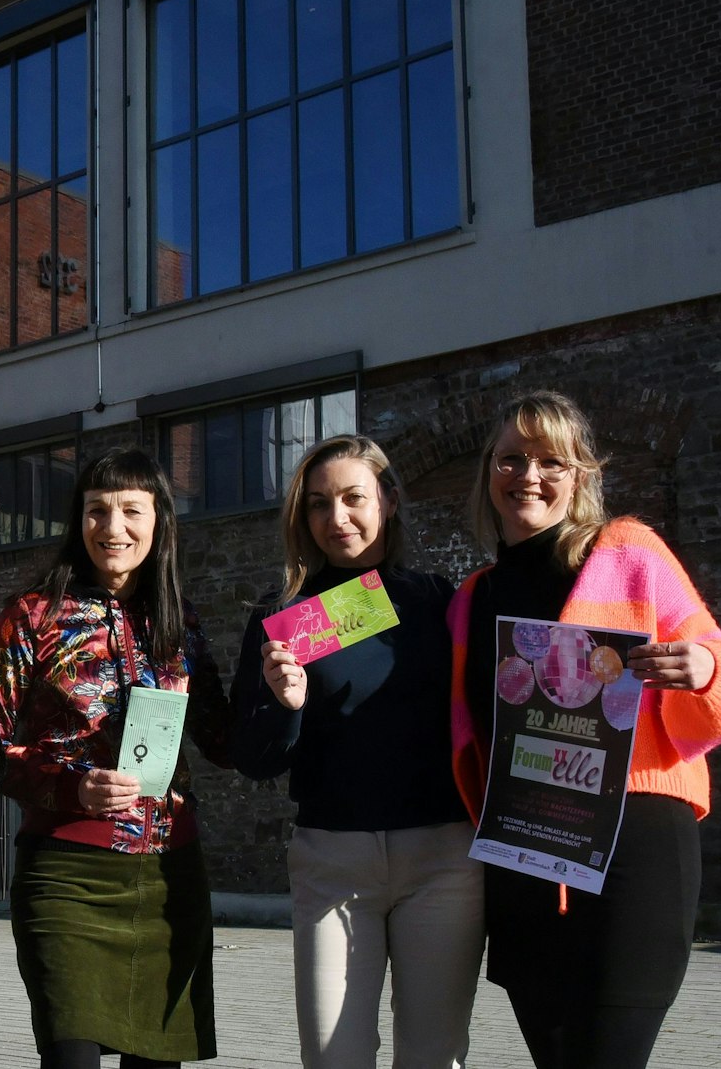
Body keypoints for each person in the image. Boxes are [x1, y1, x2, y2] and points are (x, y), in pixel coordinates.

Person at [450, 391, 721, 1069]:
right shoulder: (472, 599)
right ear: (488, 474)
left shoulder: (630, 554)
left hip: (634, 853)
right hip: (526, 861)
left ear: (580, 475)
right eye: (511, 458)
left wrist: (704, 666)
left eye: (549, 459)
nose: (527, 474)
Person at [230, 436, 481, 1069]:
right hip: (333, 861)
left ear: (389, 501)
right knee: (333, 1057)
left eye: (353, 498)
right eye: (318, 504)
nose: (336, 518)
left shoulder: (437, 600)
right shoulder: (286, 615)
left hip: (442, 858)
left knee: (433, 1056)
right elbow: (255, 758)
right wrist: (287, 705)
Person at [0, 448, 234, 1069]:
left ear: (159, 522)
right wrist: (73, 787)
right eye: (96, 510)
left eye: (130, 510)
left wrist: (281, 690)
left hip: (170, 877)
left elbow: (222, 740)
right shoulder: (31, 615)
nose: (112, 527)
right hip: (67, 878)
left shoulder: (181, 623)